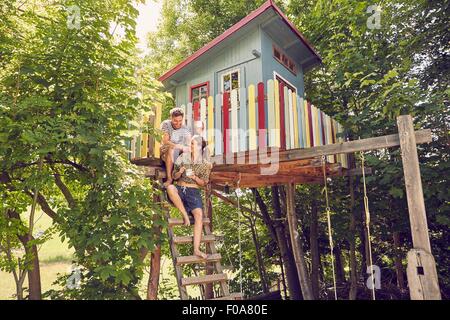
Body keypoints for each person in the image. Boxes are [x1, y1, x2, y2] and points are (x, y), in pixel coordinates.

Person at [166, 134, 212, 259]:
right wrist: (179, 172)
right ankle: (185, 215)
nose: (190, 146)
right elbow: (174, 176)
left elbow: (204, 183)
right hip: (180, 188)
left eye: (193, 143)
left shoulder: (205, 164)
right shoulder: (183, 157)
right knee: (170, 188)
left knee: (199, 216)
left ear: (199, 147)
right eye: (190, 143)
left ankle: (196, 249)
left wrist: (194, 178)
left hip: (193, 192)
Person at [160, 107, 192, 187]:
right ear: (171, 118)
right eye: (175, 121)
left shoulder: (185, 128)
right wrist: (180, 146)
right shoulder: (166, 124)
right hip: (166, 151)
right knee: (171, 148)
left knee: (188, 151)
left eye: (180, 121)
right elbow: (166, 141)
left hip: (179, 153)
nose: (178, 123)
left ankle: (188, 178)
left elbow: (189, 143)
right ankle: (169, 179)